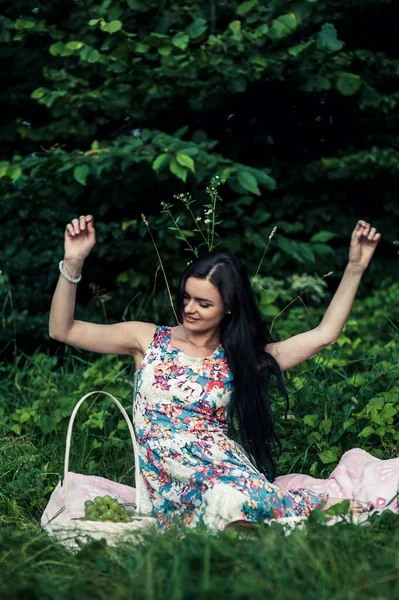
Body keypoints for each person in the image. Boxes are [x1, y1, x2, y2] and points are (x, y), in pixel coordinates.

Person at [49, 215, 382, 533]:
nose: (190, 309)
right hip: (165, 474)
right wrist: (73, 263)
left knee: (228, 498)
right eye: (186, 298)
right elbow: (63, 330)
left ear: (229, 307)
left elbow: (325, 335)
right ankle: (285, 515)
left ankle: (305, 509)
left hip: (220, 467)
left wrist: (355, 268)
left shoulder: (241, 358)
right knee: (224, 508)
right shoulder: (146, 338)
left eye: (203, 303)